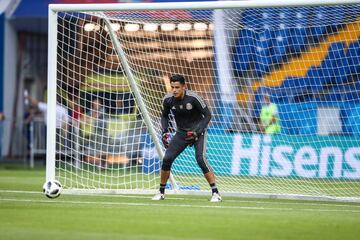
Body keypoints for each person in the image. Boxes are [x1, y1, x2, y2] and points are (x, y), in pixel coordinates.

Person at [152, 74, 222, 202]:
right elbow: (165, 116)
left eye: (177, 87)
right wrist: (164, 132)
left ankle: (215, 193)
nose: (174, 90)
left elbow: (207, 116)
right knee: (167, 159)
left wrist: (197, 132)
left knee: (201, 159)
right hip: (181, 133)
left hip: (198, 132)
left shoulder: (194, 98)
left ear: (184, 87)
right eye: (172, 87)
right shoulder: (168, 99)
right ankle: (161, 192)